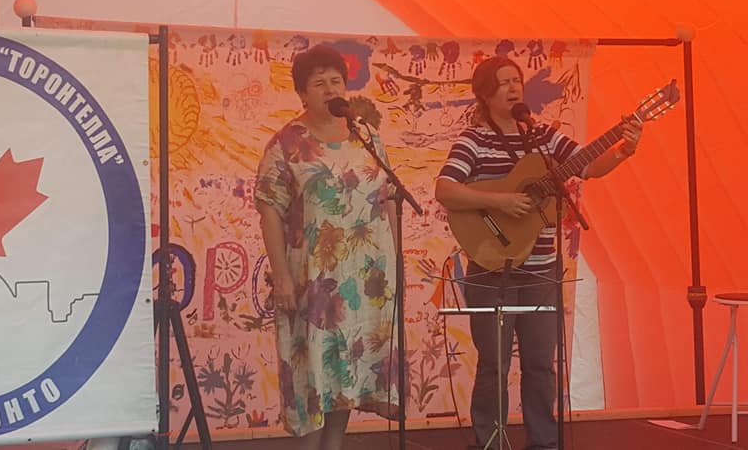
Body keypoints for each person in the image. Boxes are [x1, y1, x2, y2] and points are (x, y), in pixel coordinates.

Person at [434, 56, 643, 450]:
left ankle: (544, 443)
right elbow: (445, 190)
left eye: (517, 80)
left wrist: (624, 149)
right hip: (491, 268)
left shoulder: (543, 136)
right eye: (504, 82)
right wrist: (500, 202)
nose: (514, 87)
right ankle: (489, 442)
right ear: (485, 93)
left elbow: (590, 167)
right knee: (494, 365)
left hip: (541, 268)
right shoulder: (473, 140)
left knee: (541, 364)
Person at [255, 44, 399, 450]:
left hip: (366, 277)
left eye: (336, 81)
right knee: (314, 374)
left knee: (345, 371)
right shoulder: (287, 143)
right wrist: (282, 276)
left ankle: (334, 445)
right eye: (319, 83)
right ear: (302, 93)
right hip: (314, 278)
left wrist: (396, 262)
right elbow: (269, 210)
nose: (330, 89)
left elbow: (388, 197)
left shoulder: (366, 135)